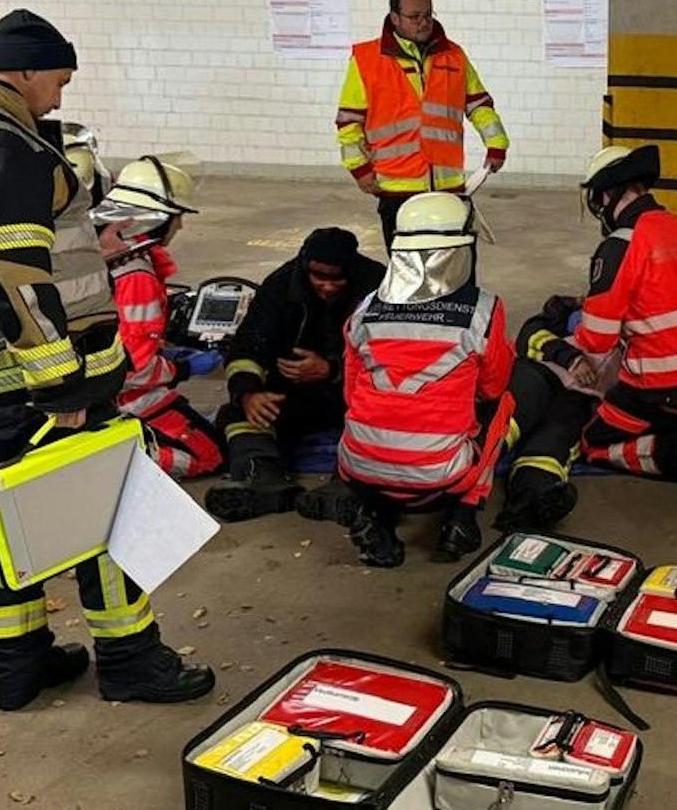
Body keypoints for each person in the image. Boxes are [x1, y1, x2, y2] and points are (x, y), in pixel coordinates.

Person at [0, 8, 211, 712]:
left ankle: (18, 664)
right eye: (58, 80)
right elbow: (14, 272)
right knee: (102, 512)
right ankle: (131, 658)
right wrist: (60, 382)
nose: (60, 96)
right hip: (39, 375)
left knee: (15, 518)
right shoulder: (0, 141)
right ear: (20, 70)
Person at [532, 145, 677, 507]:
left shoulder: (619, 246)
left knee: (593, 441)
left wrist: (577, 323)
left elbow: (596, 339)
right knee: (662, 411)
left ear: (607, 195)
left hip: (661, 391)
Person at [328, 194, 513, 567]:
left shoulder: (364, 309)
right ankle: (462, 519)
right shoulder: (483, 310)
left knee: (377, 417)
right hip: (441, 479)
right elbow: (492, 388)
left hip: (356, 466)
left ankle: (376, 515)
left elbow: (350, 393)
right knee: (503, 405)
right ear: (463, 250)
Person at [206, 227, 385, 522]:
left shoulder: (378, 285)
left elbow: (393, 359)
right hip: (296, 392)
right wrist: (250, 393)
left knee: (387, 419)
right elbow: (248, 345)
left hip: (356, 393)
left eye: (336, 279)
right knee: (236, 414)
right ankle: (264, 476)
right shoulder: (280, 283)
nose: (327, 286)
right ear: (304, 265)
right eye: (319, 277)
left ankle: (349, 485)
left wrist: (332, 370)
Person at [335, 0, 510, 248]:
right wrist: (359, 169)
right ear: (395, 18)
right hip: (396, 190)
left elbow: (479, 105)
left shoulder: (454, 56)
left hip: (448, 188)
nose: (423, 22)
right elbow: (349, 122)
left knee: (455, 269)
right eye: (414, 17)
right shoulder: (366, 59)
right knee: (408, 275)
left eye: (428, 14)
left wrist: (497, 144)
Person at [95, 155, 227, 480]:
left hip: (90, 387)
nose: (179, 226)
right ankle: (116, 457)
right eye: (175, 217)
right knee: (209, 456)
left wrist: (162, 351)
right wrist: (182, 367)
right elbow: (136, 371)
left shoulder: (102, 252)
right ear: (151, 218)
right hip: (122, 396)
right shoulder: (136, 276)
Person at [492, 294, 617, 532]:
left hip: (579, 398)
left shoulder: (641, 333)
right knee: (507, 419)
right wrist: (571, 359)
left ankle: (530, 503)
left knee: (552, 442)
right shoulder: (568, 311)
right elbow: (529, 336)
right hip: (539, 373)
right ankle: (456, 470)